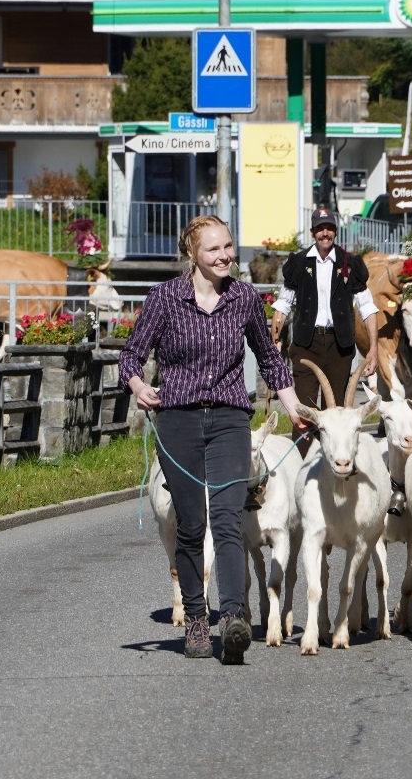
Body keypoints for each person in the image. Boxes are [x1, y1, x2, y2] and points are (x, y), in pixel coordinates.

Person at [119, 215, 306, 663]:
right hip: (178, 422)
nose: (225, 256)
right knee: (190, 525)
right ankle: (197, 621)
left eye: (228, 247)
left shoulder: (243, 298)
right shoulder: (165, 298)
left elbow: (269, 358)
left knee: (226, 518)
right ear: (192, 254)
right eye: (214, 249)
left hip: (228, 420)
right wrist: (139, 386)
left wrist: (295, 407)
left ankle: (235, 617)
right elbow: (131, 356)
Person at [270, 208, 380, 445]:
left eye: (329, 228)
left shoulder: (349, 263)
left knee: (335, 411)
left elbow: (367, 307)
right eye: (320, 229)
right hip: (305, 345)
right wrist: (274, 341)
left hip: (339, 347)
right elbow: (283, 305)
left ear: (335, 231)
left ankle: (333, 460)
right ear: (313, 232)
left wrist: (373, 349)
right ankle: (303, 460)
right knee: (305, 411)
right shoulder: (299, 263)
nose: (325, 233)